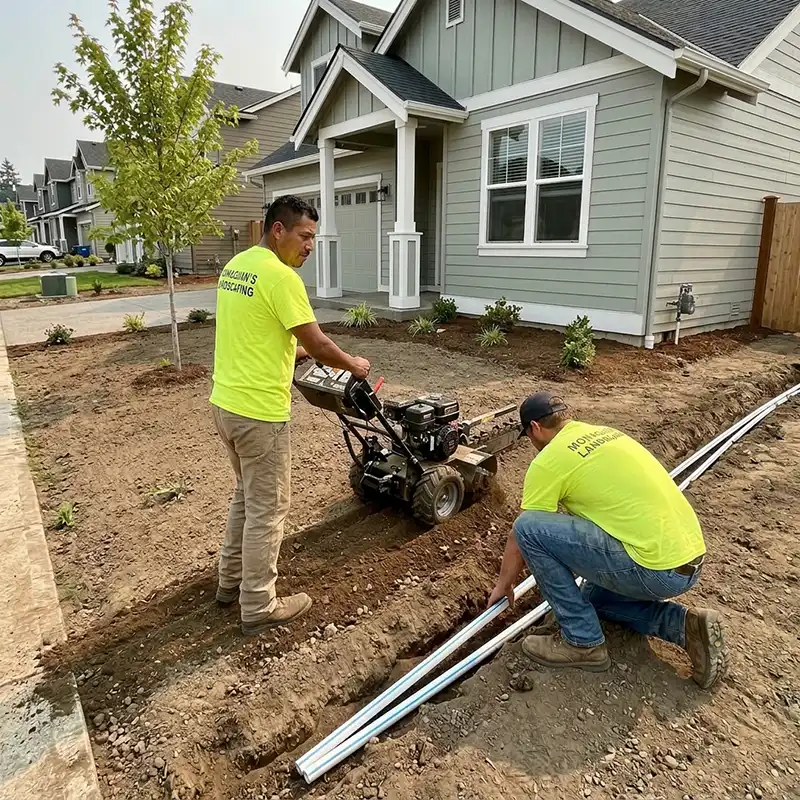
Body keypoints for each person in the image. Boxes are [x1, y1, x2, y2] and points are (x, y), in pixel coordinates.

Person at [488, 392, 727, 690]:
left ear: (534, 428)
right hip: (688, 560)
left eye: (528, 436)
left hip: (652, 569)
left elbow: (521, 533)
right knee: (593, 601)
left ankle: (582, 641)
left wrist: (504, 584)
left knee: (529, 528)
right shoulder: (607, 434)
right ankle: (683, 626)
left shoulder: (548, 461)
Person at [210, 195, 371, 636]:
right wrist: (353, 365)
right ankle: (259, 604)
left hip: (225, 404)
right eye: (305, 236)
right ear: (278, 230)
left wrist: (291, 353)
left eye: (313, 238)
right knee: (269, 508)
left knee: (246, 496)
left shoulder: (237, 267)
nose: (310, 246)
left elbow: (255, 330)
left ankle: (229, 582)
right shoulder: (282, 278)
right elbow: (319, 343)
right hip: (259, 413)